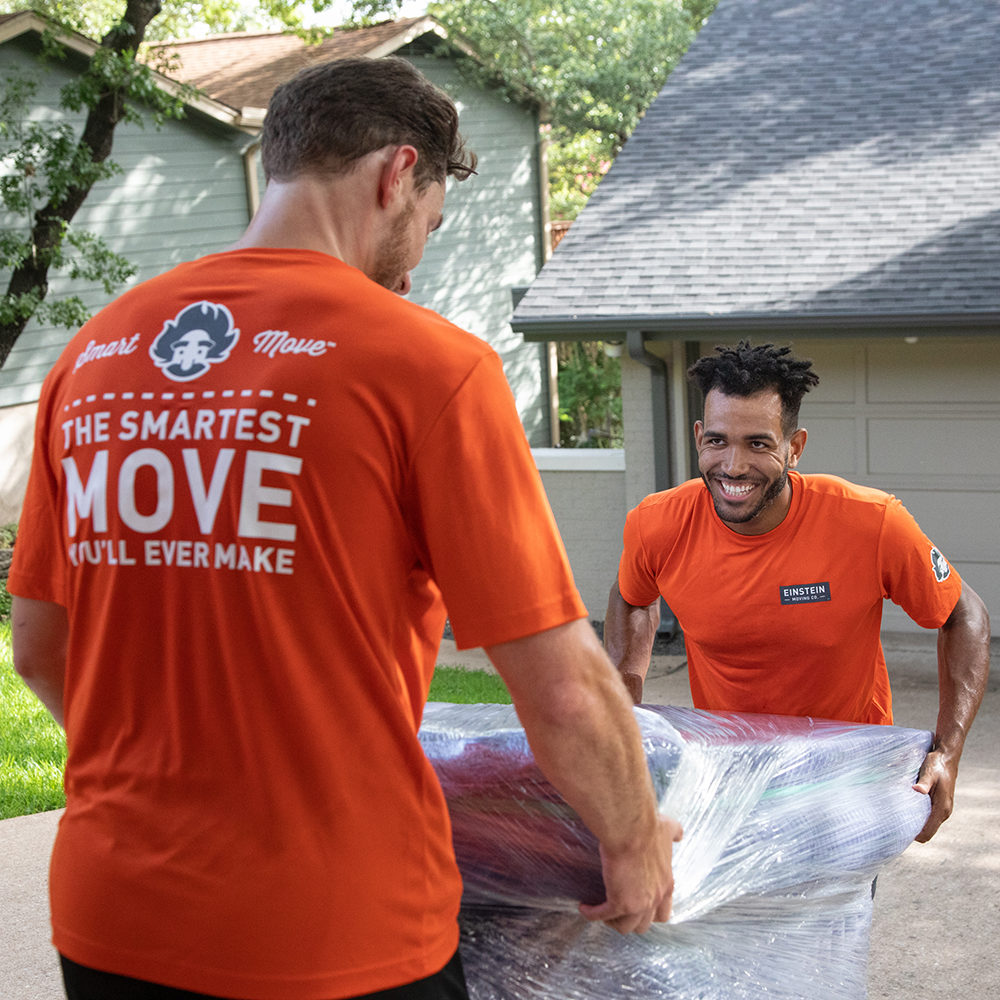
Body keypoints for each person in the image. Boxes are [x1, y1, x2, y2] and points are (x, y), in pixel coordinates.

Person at [9, 56, 682, 1000]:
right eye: (430, 227)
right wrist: (634, 836)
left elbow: (40, 650)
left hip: (113, 918)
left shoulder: (96, 355)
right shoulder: (426, 367)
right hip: (333, 934)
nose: (414, 265)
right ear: (396, 174)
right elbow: (563, 687)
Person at [605, 340, 990, 845]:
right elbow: (631, 594)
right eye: (718, 441)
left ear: (795, 447)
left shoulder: (871, 523)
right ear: (699, 436)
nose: (734, 465)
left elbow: (964, 614)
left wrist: (948, 750)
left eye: (758, 444)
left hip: (848, 778)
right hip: (728, 773)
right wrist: (625, 693)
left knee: (831, 924)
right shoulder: (657, 525)